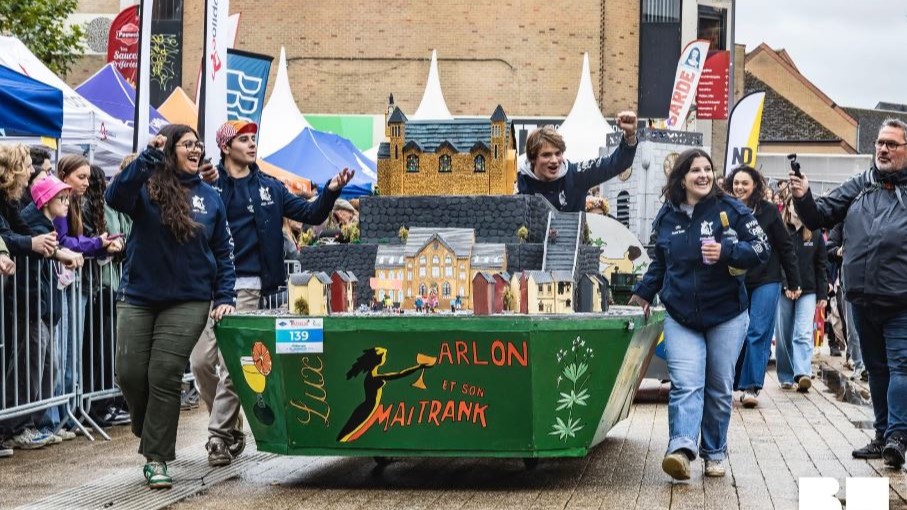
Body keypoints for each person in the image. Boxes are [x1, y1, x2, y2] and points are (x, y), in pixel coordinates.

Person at [193, 120, 351, 467]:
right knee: (201, 362)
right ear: (225, 147)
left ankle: (217, 436)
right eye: (243, 140)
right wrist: (198, 183)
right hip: (208, 285)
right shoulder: (210, 186)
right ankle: (232, 427)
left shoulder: (269, 187)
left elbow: (310, 213)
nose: (251, 145)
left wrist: (332, 190)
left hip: (247, 286)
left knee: (233, 366)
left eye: (253, 139)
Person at [106, 124, 236, 489]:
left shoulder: (211, 197)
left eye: (199, 145)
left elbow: (224, 253)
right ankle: (150, 430)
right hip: (138, 295)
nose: (196, 150)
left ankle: (157, 458)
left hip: (189, 298)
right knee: (130, 373)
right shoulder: (146, 187)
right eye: (188, 145)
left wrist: (224, 297)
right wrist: (148, 156)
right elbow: (115, 197)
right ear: (170, 150)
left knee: (163, 373)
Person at [629, 148, 769, 480]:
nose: (703, 175)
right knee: (686, 383)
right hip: (681, 315)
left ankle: (714, 451)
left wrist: (727, 251)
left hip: (727, 314)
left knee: (719, 387)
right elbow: (660, 264)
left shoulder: (731, 210)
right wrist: (643, 294)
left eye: (708, 169)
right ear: (681, 178)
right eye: (695, 170)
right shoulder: (667, 216)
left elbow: (762, 250)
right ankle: (680, 449)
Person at [788, 118, 907, 469]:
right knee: (877, 368)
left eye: (892, 144)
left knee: (902, 366)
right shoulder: (861, 184)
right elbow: (819, 214)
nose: (883, 149)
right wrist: (803, 195)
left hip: (901, 299)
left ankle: (899, 436)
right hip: (861, 297)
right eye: (879, 143)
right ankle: (884, 435)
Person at [723, 165, 800, 408]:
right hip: (737, 280)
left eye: (745, 183)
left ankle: (751, 387)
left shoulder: (768, 212)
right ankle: (731, 382)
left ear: (755, 185)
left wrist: (793, 280)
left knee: (758, 330)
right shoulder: (725, 210)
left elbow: (785, 247)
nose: (740, 187)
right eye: (736, 183)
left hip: (767, 279)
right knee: (738, 331)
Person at [517, 112, 639, 212]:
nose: (554, 161)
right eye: (546, 155)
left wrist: (630, 135)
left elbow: (617, 163)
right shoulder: (519, 183)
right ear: (532, 158)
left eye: (558, 153)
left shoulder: (576, 175)